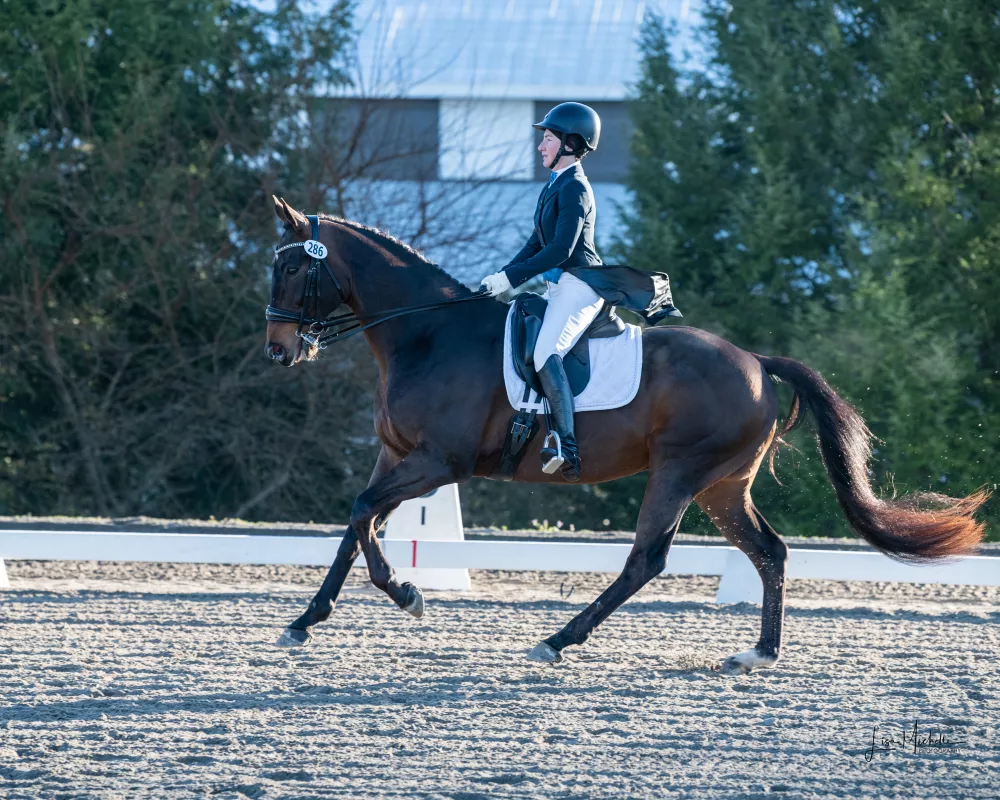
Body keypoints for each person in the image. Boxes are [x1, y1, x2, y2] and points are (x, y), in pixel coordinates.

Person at [480, 102, 605, 482]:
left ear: (570, 143)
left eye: (548, 139)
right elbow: (536, 241)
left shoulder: (576, 189)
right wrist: (501, 276)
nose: (540, 146)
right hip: (559, 285)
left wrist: (513, 278)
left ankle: (567, 446)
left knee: (546, 350)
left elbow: (560, 251)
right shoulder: (555, 184)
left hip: (581, 286)